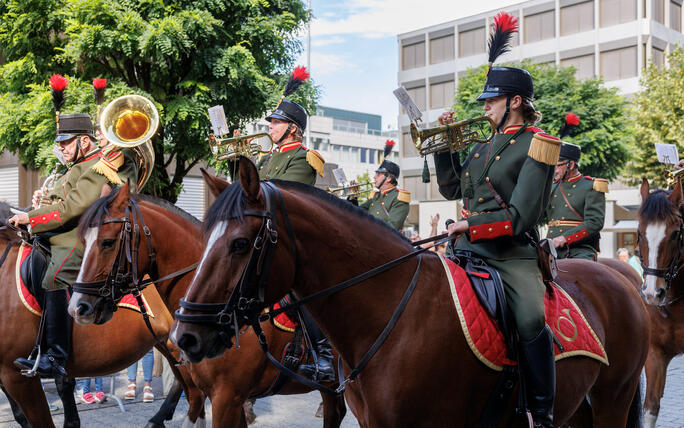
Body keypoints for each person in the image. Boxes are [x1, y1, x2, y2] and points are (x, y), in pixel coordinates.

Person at [432, 12, 558, 427]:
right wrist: (444, 148)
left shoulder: (538, 146)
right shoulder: (482, 146)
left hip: (510, 254)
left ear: (515, 102)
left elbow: (523, 216)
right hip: (464, 249)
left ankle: (541, 411)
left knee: (529, 317)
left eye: (491, 100)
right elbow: (451, 190)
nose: (484, 107)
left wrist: (472, 225)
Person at [11, 113, 132, 378]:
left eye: (66, 142)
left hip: (77, 239)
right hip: (57, 235)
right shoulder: (78, 167)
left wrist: (29, 218)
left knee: (55, 276)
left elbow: (71, 209)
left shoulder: (99, 166)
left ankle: (56, 355)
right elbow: (60, 201)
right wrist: (40, 203)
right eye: (61, 143)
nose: (61, 148)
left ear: (85, 141)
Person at [545, 141, 607, 260]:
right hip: (551, 248)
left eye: (558, 165)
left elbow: (595, 222)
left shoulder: (591, 186)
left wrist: (565, 238)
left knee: (583, 274)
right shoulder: (552, 187)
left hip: (580, 249)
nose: (554, 170)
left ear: (571, 165)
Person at [348, 141, 410, 230]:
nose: (374, 177)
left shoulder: (399, 198)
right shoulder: (376, 196)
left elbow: (391, 228)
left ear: (388, 178)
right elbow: (355, 214)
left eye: (378, 174)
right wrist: (352, 197)